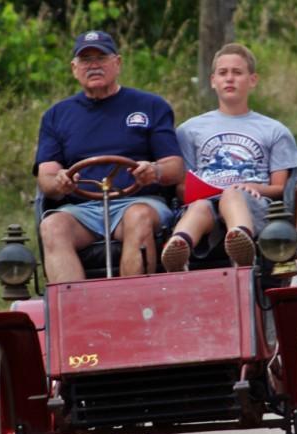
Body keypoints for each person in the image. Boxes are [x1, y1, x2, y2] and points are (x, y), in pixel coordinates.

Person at [34, 30, 185, 282]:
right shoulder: (56, 115)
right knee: (52, 226)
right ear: (74, 68)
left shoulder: (151, 106)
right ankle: (74, 312)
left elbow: (175, 167)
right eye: (85, 60)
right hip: (82, 210)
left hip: (140, 202)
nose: (93, 65)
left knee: (138, 216)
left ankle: (132, 303)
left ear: (117, 63)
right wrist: (58, 181)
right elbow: (46, 177)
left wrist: (154, 171)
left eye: (101, 58)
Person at [161, 43, 297, 272]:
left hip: (251, 202)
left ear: (252, 80)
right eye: (223, 73)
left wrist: (251, 187)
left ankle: (241, 244)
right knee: (199, 207)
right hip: (205, 201)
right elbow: (181, 186)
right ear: (212, 80)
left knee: (232, 195)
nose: (229, 79)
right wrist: (196, 191)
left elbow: (280, 187)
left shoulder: (274, 130)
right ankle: (179, 247)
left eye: (237, 73)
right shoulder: (189, 130)